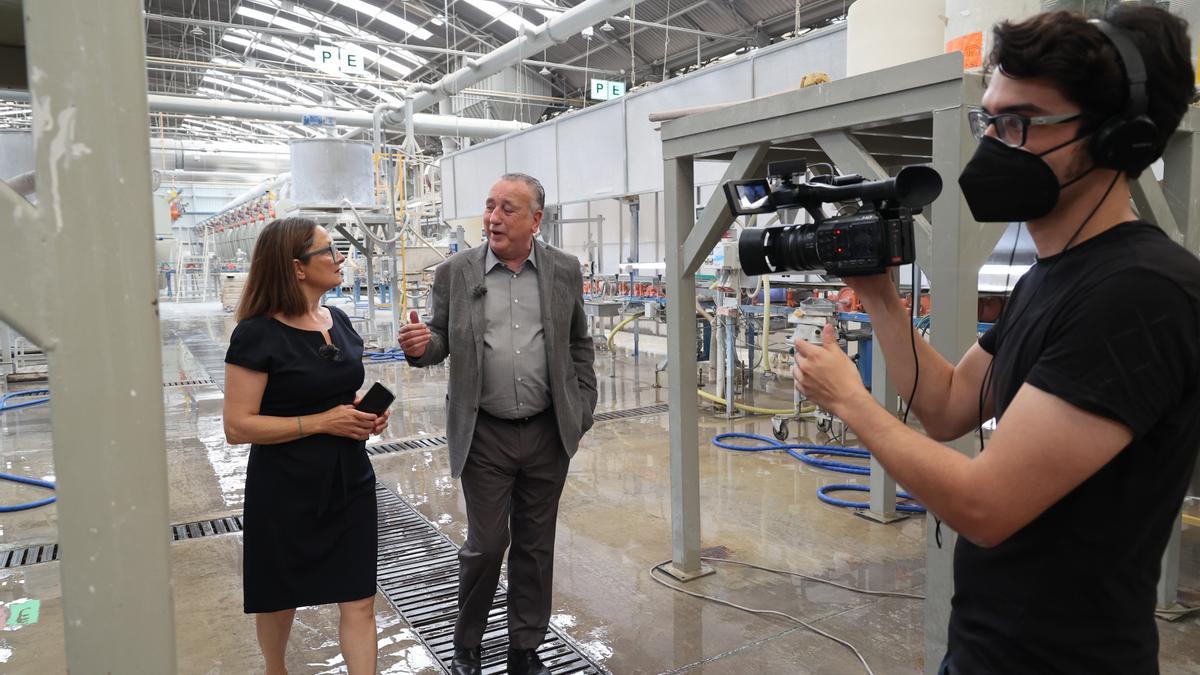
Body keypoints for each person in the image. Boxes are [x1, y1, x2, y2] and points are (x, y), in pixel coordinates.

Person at [790, 6, 1199, 674]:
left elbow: (985, 505)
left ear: (1116, 139)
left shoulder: (1139, 293)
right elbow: (950, 402)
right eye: (989, 120)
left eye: (1020, 123)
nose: (994, 145)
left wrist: (853, 403)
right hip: (991, 647)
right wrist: (880, 296)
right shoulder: (1052, 279)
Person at [398, 173, 597, 675]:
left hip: (548, 431)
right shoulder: (456, 273)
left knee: (536, 545)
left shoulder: (564, 270)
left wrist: (582, 406)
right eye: (489, 207)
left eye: (508, 208)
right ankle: (468, 645)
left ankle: (524, 649)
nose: (493, 218)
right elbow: (440, 339)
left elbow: (579, 343)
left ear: (536, 219)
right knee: (486, 545)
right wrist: (423, 348)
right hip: (484, 430)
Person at [223, 217, 389, 675]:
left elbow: (334, 394)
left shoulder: (337, 320)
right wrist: (323, 422)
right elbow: (237, 426)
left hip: (348, 480)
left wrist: (361, 412)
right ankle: (275, 669)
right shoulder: (257, 334)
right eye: (329, 251)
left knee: (359, 598)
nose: (340, 259)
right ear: (297, 268)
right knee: (279, 600)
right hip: (285, 487)